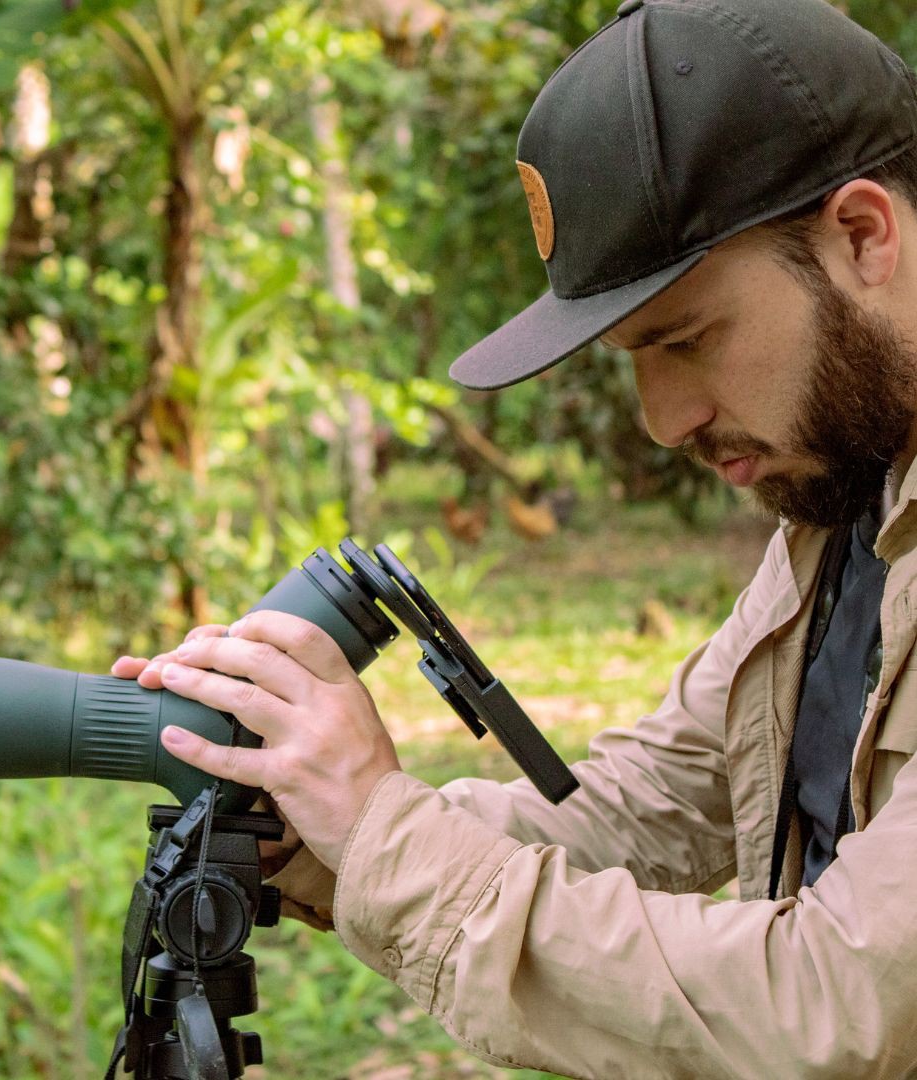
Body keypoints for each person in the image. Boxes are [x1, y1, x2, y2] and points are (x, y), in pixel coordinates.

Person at [113, 0, 917, 1075]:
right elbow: (648, 807)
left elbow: (838, 1002)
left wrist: (387, 836)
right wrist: (323, 827)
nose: (662, 419)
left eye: (687, 337)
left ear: (864, 235)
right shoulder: (849, 495)